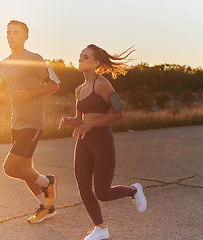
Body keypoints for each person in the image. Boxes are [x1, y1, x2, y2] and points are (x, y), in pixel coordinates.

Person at [58, 44, 147, 240]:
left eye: (86, 57)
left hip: (102, 141)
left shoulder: (102, 84)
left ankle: (133, 190)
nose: (80, 59)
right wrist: (69, 121)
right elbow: (81, 119)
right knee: (83, 186)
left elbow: (119, 113)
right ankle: (101, 229)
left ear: (96, 63)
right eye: (80, 56)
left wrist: (90, 125)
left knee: (103, 193)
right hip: (84, 142)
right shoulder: (79, 90)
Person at [0, 20, 59, 223]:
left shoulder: (34, 59)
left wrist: (30, 94)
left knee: (10, 167)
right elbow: (2, 96)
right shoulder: (2, 65)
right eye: (8, 33)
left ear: (25, 36)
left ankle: (48, 182)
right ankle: (47, 207)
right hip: (16, 122)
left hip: (33, 121)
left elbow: (55, 85)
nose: (11, 36)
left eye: (16, 33)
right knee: (26, 169)